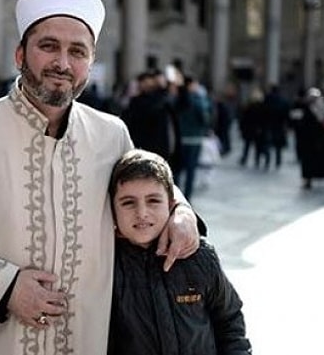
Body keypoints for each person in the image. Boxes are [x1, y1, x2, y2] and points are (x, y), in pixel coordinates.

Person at [0, 0, 202, 355]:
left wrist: (181, 211)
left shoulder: (111, 134)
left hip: (83, 338)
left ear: (90, 64)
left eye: (77, 51)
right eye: (49, 46)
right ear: (20, 55)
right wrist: (7, 288)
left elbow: (146, 188)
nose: (63, 63)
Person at [107, 149, 251, 355]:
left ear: (172, 205)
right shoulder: (107, 264)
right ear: (112, 211)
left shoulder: (200, 257)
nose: (142, 213)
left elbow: (229, 319)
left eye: (153, 201)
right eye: (128, 203)